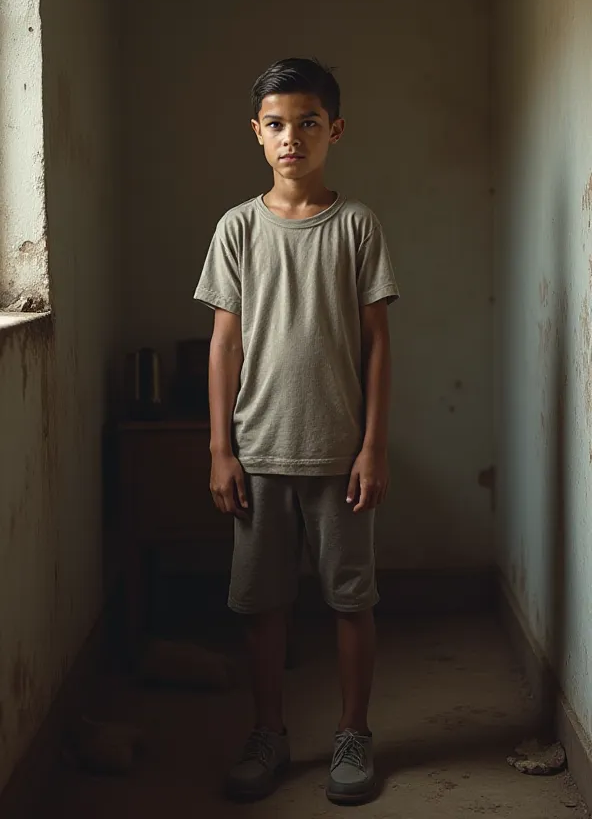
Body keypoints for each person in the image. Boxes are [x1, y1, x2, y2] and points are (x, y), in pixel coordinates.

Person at [194, 57, 399, 805]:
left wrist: (373, 445)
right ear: (257, 134)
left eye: (308, 123)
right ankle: (270, 732)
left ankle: (353, 733)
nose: (292, 138)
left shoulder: (358, 227)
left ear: (334, 131)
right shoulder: (237, 229)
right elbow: (225, 345)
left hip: (340, 454)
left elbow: (377, 345)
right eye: (276, 125)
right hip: (260, 454)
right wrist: (222, 449)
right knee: (261, 604)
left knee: (352, 599)